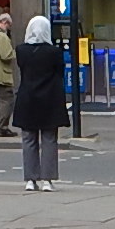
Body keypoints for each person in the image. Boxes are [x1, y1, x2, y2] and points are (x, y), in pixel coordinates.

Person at [12, 16, 66, 191]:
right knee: (49, 139)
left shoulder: (21, 50)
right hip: (50, 99)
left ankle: (30, 179)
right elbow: (60, 73)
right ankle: (47, 180)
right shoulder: (54, 52)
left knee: (28, 139)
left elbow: (23, 70)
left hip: (27, 98)